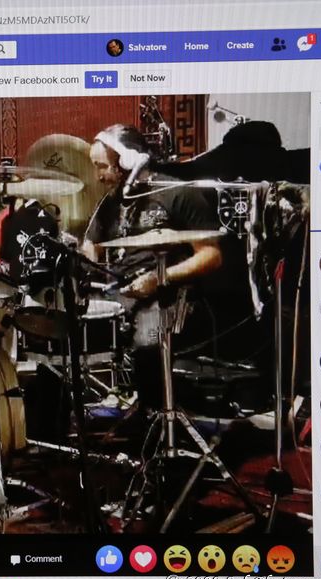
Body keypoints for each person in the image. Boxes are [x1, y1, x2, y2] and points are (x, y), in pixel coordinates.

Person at [81, 124, 248, 407]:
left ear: (127, 159)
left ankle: (156, 416)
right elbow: (91, 247)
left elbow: (211, 256)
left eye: (102, 166)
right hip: (122, 291)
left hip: (169, 296)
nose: (98, 176)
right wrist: (84, 262)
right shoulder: (111, 202)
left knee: (147, 344)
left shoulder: (176, 193)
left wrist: (160, 278)